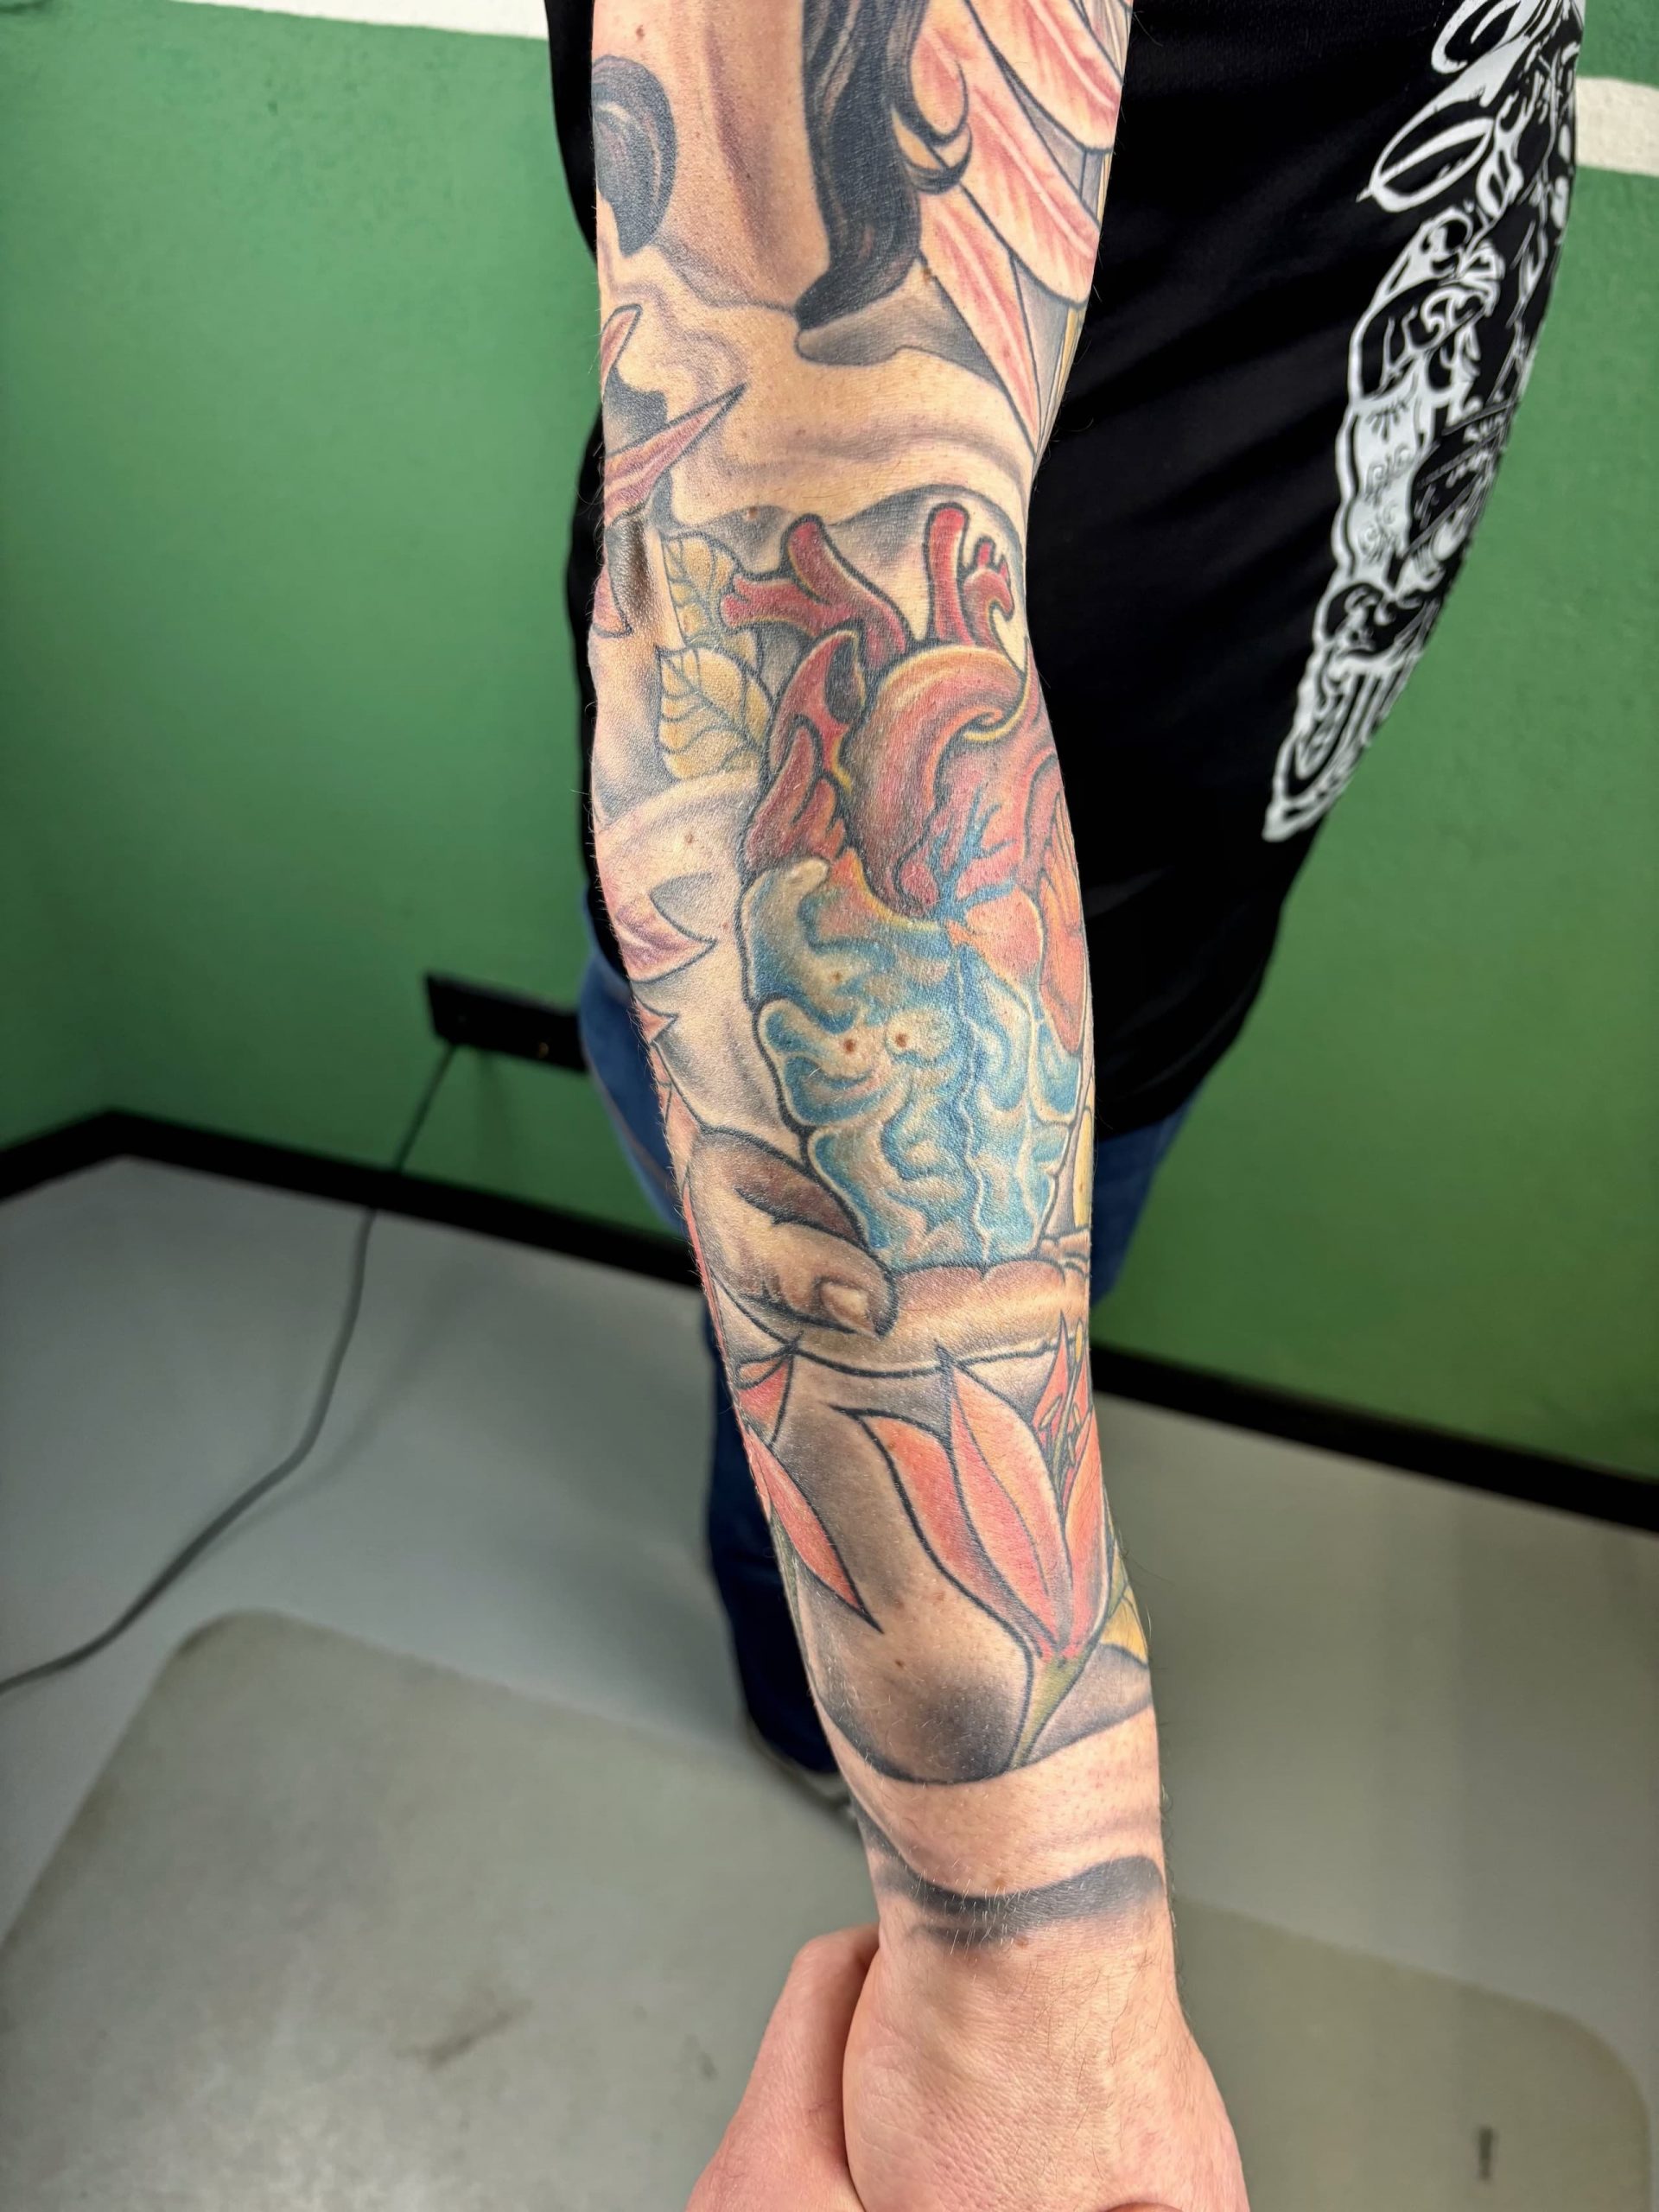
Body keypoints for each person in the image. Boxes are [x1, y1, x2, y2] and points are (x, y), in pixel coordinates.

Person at [542, 3, 1580, 2203]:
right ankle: (800, 1695)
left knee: (1024, 1311)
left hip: (1157, 922)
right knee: (816, 1414)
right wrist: (1024, 1948)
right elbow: (788, 598)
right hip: (908, 1037)